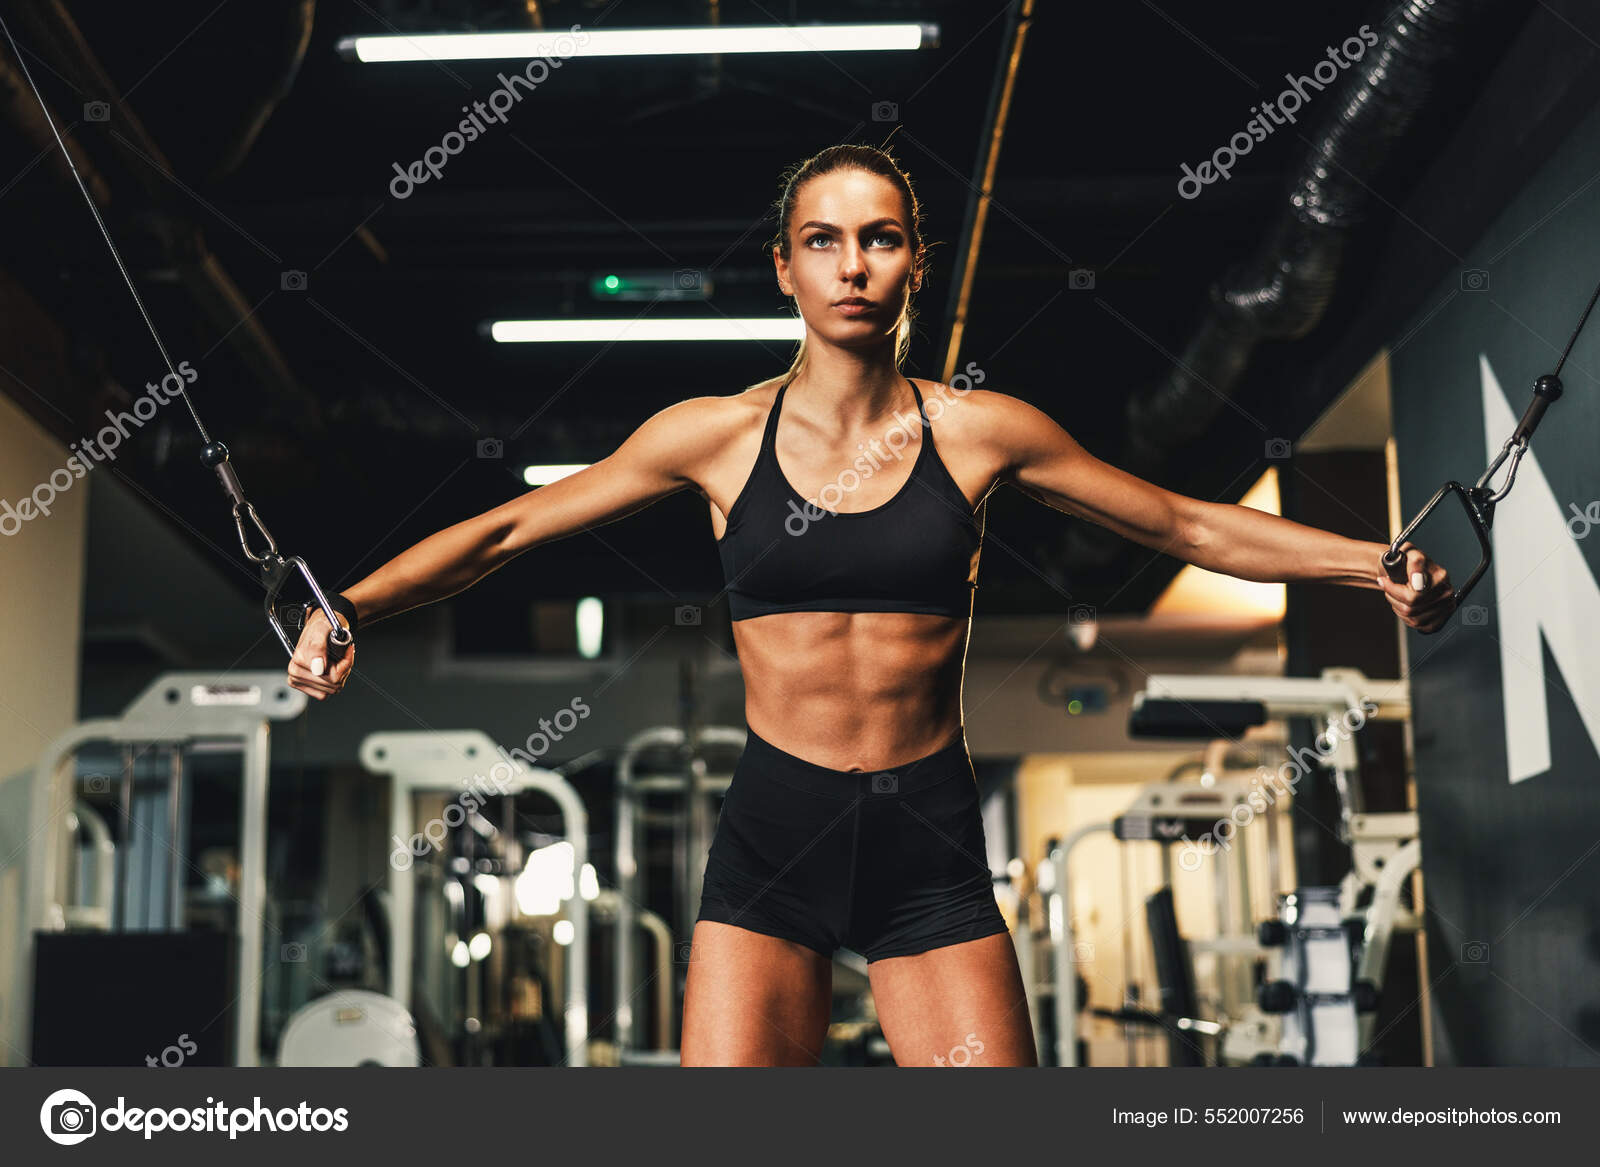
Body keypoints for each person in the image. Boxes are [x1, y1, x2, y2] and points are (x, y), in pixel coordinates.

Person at [286, 144, 1453, 1067]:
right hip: (774, 835)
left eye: (880, 240)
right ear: (784, 268)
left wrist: (1370, 562)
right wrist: (351, 606)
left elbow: (1182, 523)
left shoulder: (984, 431)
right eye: (824, 242)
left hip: (928, 840)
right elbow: (505, 530)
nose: (853, 266)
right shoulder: (713, 436)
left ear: (914, 263)